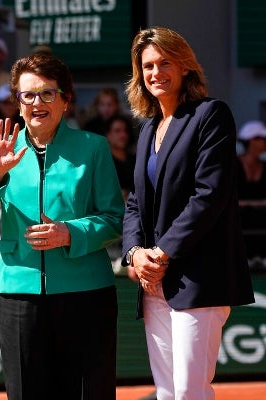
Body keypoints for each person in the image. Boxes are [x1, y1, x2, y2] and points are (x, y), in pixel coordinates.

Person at [0, 53, 124, 399]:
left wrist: (71, 232)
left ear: (65, 99)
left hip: (86, 294)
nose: (38, 102)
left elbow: (115, 218)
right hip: (19, 295)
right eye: (28, 95)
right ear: (17, 104)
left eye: (48, 93)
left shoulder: (93, 147)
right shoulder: (1, 151)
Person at [121, 26, 255, 400]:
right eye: (147, 66)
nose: (155, 72)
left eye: (165, 62)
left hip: (199, 278)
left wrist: (161, 253)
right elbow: (136, 202)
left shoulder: (211, 114)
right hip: (155, 282)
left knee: (189, 392)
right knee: (166, 392)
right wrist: (135, 253)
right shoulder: (148, 129)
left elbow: (208, 196)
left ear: (185, 66)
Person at [235, 120, 266, 267]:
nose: (264, 142)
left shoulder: (264, 167)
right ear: (250, 141)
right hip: (238, 223)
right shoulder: (233, 164)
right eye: (260, 138)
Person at [105, 114, 135, 201]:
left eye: (125, 131)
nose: (123, 135)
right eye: (117, 131)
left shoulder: (136, 160)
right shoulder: (104, 163)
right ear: (108, 135)